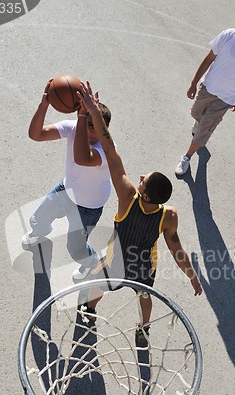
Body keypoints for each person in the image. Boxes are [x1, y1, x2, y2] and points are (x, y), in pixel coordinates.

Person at [77, 82, 202, 346]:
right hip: (144, 266)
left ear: (144, 194)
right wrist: (192, 275)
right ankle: (143, 328)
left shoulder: (127, 198)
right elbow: (177, 251)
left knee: (96, 285)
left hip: (117, 262)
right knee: (145, 296)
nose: (141, 177)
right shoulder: (168, 215)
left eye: (144, 180)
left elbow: (110, 151)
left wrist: (92, 111)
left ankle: (89, 313)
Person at [22, 81, 112, 282]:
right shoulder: (74, 128)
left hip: (88, 207)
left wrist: (83, 116)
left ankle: (93, 262)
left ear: (105, 128)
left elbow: (82, 157)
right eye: (88, 124)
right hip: (66, 190)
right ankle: (40, 232)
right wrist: (45, 104)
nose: (92, 130)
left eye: (96, 126)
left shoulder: (106, 151)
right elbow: (35, 134)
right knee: (37, 219)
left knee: (76, 250)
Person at [175, 5, 235, 177]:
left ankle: (187, 156)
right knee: (196, 114)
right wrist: (194, 82)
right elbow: (209, 58)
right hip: (208, 87)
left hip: (226, 98)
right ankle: (201, 124)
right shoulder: (229, 35)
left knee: (204, 129)